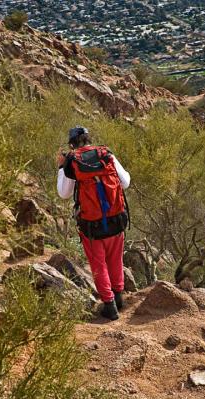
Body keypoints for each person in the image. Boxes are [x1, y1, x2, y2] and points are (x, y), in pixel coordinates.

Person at [57, 126, 130, 320]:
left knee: (99, 265)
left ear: (72, 144)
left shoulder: (72, 161)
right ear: (89, 139)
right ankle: (118, 297)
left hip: (92, 226)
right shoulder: (106, 154)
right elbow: (126, 182)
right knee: (115, 259)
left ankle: (110, 306)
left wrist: (61, 167)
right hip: (116, 220)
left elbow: (63, 193)